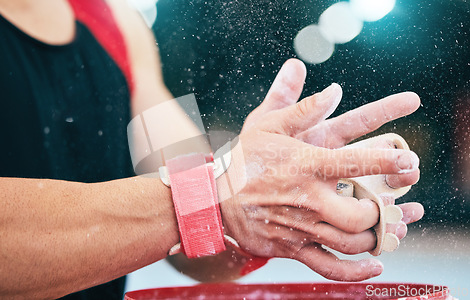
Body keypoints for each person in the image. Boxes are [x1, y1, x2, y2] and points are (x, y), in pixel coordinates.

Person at [0, 0, 424, 299]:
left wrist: (283, 187)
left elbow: (201, 243)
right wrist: (221, 197)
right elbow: (204, 198)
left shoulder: (118, 27)